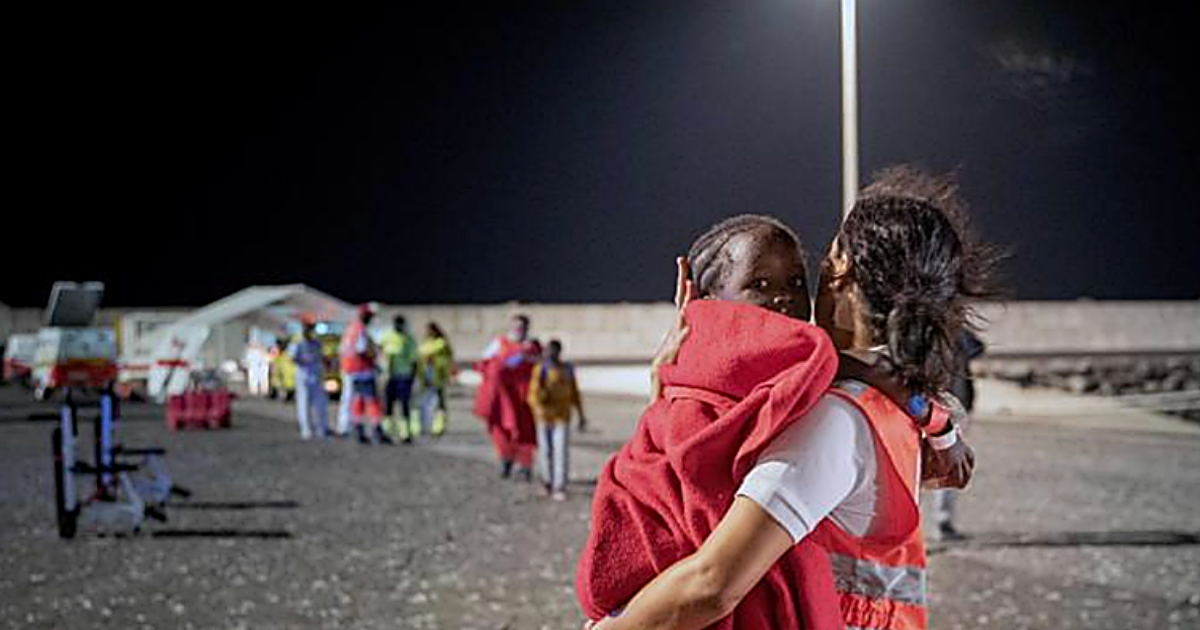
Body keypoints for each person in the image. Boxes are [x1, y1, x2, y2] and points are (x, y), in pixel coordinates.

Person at [579, 169, 992, 630]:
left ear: (841, 269)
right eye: (762, 285)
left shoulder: (833, 419)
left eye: (800, 280)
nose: (785, 301)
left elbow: (712, 584)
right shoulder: (892, 404)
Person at [932, 329, 985, 541]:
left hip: (950, 406)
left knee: (947, 466)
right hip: (942, 406)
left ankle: (942, 522)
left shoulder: (956, 334)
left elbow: (978, 347)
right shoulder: (943, 334)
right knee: (945, 465)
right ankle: (940, 522)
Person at [473, 314, 541, 480]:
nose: (519, 329)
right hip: (503, 398)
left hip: (523, 398)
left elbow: (540, 365)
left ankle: (525, 466)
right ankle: (506, 460)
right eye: (516, 326)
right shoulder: (500, 343)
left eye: (522, 326)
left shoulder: (533, 346)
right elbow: (485, 364)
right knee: (501, 432)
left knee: (525, 432)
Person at [527, 339, 586, 501]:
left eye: (554, 351)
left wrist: (581, 414)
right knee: (545, 451)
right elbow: (533, 393)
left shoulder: (567, 369)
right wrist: (538, 407)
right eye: (548, 351)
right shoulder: (541, 369)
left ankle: (559, 485)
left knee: (561, 451)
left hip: (562, 416)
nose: (550, 354)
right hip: (544, 416)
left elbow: (574, 393)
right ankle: (547, 481)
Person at [340, 303, 389, 445]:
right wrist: (374, 360)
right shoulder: (360, 330)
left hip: (352, 371)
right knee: (372, 402)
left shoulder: (351, 329)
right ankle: (377, 431)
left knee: (358, 402)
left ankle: (358, 430)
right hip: (363, 371)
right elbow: (362, 349)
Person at [288, 316, 330, 439]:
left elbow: (322, 356)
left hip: (316, 374)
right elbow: (292, 357)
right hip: (303, 373)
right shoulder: (298, 341)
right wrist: (304, 360)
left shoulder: (316, 341)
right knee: (304, 402)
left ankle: (322, 428)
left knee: (320, 403)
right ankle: (306, 429)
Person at [380, 315, 419, 443]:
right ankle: (387, 432)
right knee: (388, 406)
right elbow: (380, 352)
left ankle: (405, 434)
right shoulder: (387, 337)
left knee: (404, 405)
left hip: (404, 376)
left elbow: (414, 360)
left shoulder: (409, 339)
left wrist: (413, 377)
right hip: (389, 376)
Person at [415, 322, 455, 438]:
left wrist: (448, 374)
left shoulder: (441, 344)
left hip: (437, 377)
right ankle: (423, 426)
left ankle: (438, 428)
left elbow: (447, 359)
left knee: (439, 404)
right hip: (426, 377)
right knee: (424, 403)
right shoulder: (426, 343)